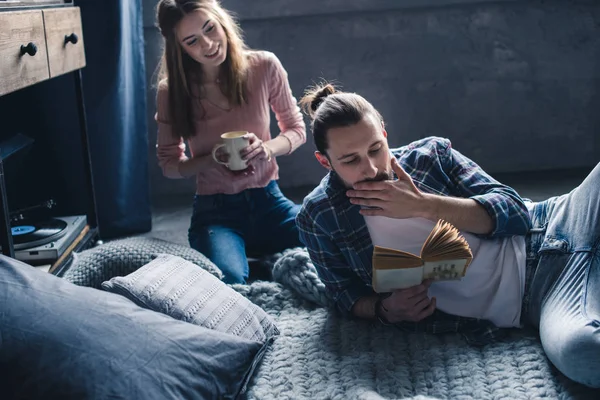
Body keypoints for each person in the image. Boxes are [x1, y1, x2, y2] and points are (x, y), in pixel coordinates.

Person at [296, 83, 600, 388]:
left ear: (385, 135)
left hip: (557, 223)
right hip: (540, 297)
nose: (372, 168)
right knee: (582, 354)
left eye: (376, 148)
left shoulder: (430, 155)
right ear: (325, 162)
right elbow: (343, 294)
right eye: (351, 160)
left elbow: (516, 212)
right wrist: (385, 310)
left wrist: (424, 205)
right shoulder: (319, 217)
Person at [154, 0, 306, 284]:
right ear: (180, 48)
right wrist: (210, 159)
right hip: (217, 214)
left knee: (333, 239)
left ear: (221, 19)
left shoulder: (264, 66)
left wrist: (267, 148)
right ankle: (250, 258)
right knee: (231, 280)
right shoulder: (171, 91)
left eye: (210, 28)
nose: (209, 44)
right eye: (192, 41)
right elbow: (169, 164)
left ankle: (261, 257)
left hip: (270, 203)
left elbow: (296, 130)